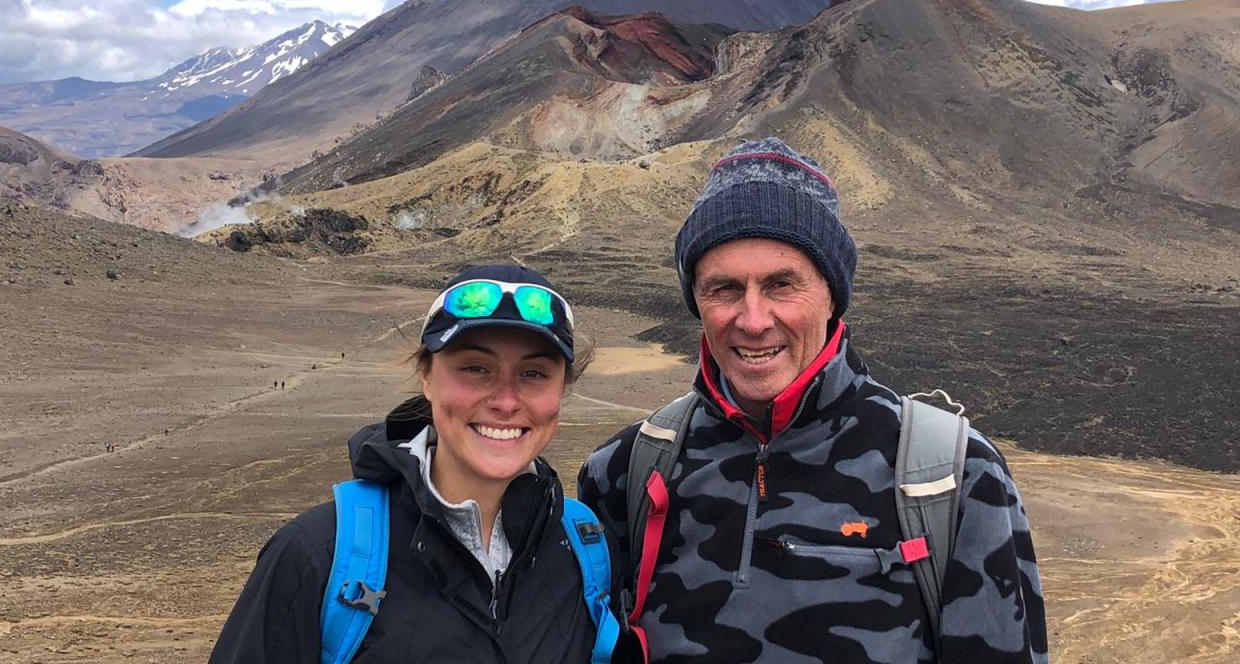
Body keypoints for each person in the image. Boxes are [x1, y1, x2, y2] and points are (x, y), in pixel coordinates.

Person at [578, 139, 1048, 663]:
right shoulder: (625, 471)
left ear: (832, 294)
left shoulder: (953, 477)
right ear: (697, 303)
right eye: (724, 289)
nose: (753, 320)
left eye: (782, 285)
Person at [211, 264, 612, 663]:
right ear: (426, 375)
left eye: (533, 373)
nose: (505, 401)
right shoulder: (318, 554)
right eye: (475, 368)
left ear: (562, 388)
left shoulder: (584, 550)